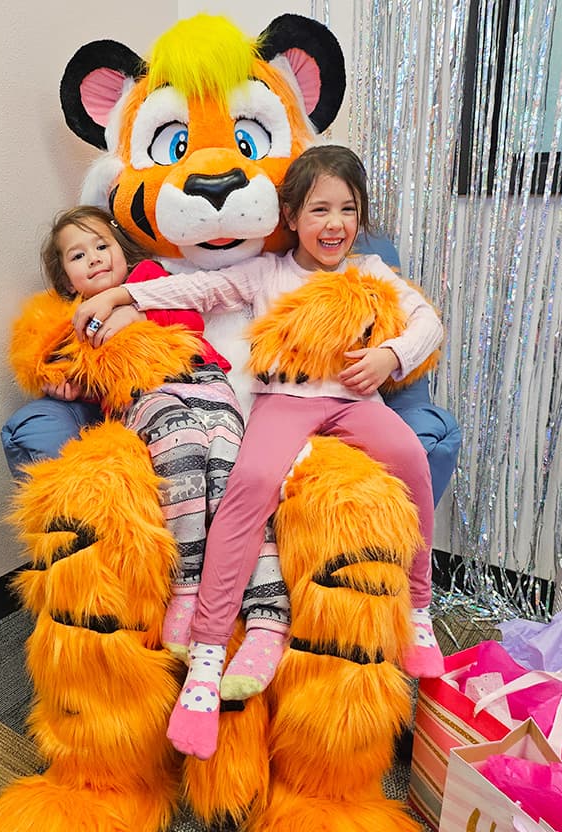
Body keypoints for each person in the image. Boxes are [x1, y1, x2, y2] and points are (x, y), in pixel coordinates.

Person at [72, 145, 446, 760]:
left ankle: (419, 608)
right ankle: (206, 658)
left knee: (411, 456)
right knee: (248, 486)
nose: (335, 224)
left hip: (355, 400)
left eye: (348, 209)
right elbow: (199, 288)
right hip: (285, 401)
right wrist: (122, 298)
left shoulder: (372, 273)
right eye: (319, 209)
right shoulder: (267, 272)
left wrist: (391, 356)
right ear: (291, 217)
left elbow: (426, 321)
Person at [21, 205, 290, 696]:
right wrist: (65, 384)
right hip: (144, 397)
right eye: (78, 256)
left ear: (120, 250)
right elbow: (73, 371)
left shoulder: (148, 278)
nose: (94, 258)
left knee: (233, 474)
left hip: (205, 380)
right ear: (66, 277)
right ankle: (189, 588)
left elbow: (186, 315)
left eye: (102, 246)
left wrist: (132, 309)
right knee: (183, 447)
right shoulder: (73, 319)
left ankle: (267, 611)